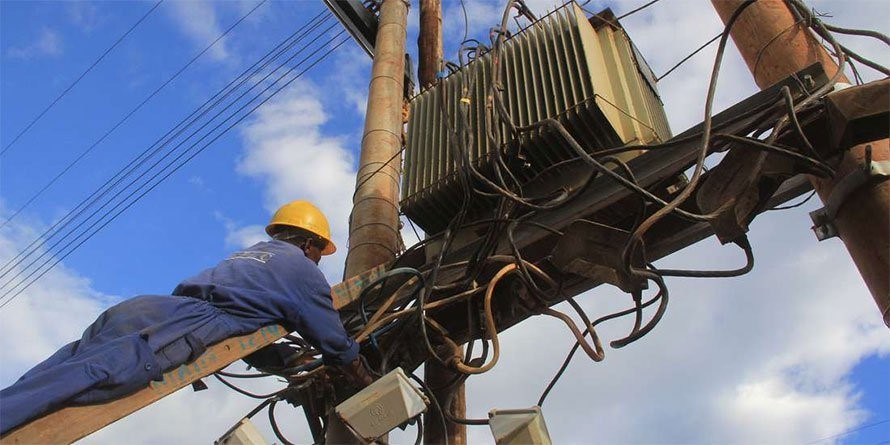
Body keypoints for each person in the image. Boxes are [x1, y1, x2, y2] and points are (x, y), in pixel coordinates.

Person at [0, 200, 372, 435]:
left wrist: (284, 361)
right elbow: (335, 343)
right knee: (85, 380)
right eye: (319, 253)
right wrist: (365, 377)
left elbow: (239, 335)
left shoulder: (250, 255)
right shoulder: (304, 274)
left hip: (146, 309)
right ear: (308, 244)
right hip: (180, 325)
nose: (318, 260)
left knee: (46, 376)